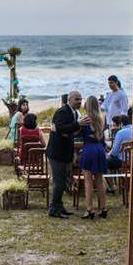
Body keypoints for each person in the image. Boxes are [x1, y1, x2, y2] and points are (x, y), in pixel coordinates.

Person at [45, 90, 82, 219]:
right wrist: (77, 125)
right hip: (57, 152)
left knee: (63, 181)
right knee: (59, 182)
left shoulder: (74, 113)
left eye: (80, 99)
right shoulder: (63, 111)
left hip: (65, 151)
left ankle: (59, 206)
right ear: (69, 100)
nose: (79, 102)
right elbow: (60, 128)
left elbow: (68, 130)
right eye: (77, 99)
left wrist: (74, 129)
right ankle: (53, 209)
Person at [79, 95, 108, 219]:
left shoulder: (86, 119)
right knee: (100, 180)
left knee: (88, 181)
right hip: (100, 149)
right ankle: (103, 208)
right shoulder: (102, 118)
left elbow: (79, 135)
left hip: (89, 149)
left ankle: (90, 209)